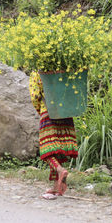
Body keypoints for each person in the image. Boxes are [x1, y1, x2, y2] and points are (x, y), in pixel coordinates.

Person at [29, 71, 78, 199]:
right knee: (59, 149)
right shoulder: (65, 67)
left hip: (48, 112)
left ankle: (60, 170)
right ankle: (57, 187)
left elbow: (35, 96)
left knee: (48, 150)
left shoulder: (37, 71)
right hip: (65, 112)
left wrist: (40, 110)